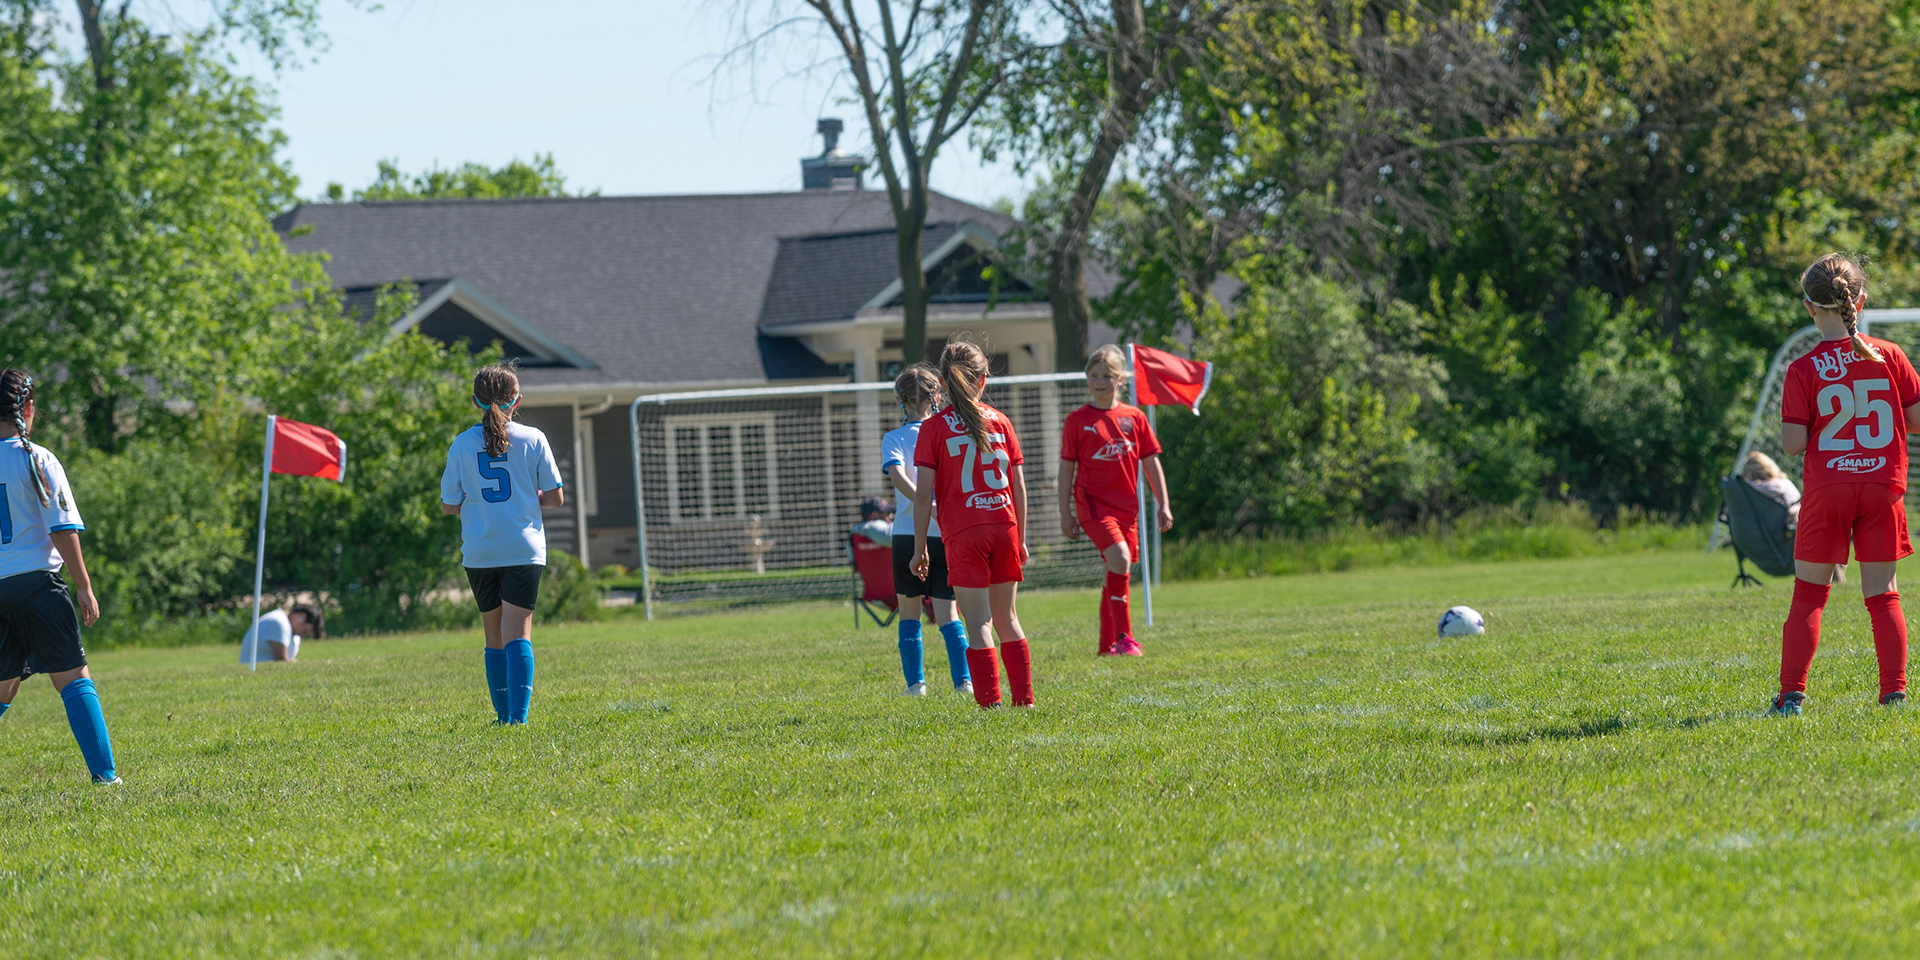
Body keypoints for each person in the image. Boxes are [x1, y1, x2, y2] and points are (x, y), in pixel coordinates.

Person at [1770, 253, 1920, 716]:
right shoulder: (1891, 355)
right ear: (1861, 300)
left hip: (1829, 488)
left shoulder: (1803, 368)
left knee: (1810, 594)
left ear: (1809, 307)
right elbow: (1915, 420)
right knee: (1884, 594)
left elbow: (1793, 445)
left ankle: (1792, 697)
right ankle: (1893, 694)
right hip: (1882, 483)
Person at [0, 369, 119, 784]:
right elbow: (62, 528)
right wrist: (84, 586)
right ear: (28, 410)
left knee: (2, 688)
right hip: (37, 585)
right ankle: (105, 779)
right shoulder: (38, 458)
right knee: (72, 677)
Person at [911, 341, 1034, 709]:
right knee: (1007, 617)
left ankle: (990, 703)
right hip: (1004, 524)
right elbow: (1018, 486)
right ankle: (1024, 701)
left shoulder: (933, 428)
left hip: (966, 531)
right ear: (984, 379)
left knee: (979, 621)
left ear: (943, 383)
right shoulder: (1001, 421)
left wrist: (919, 549)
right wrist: (1022, 538)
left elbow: (922, 497)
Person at [440, 364, 564, 725]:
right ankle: (518, 719)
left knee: (493, 636)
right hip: (522, 548)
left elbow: (449, 504)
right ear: (517, 400)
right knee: (518, 633)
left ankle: (502, 717)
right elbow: (555, 498)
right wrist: (527, 498)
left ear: (476, 401)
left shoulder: (462, 443)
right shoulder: (533, 438)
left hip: (480, 550)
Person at [1059, 345, 1174, 657]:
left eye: (1106, 376)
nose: (1099, 381)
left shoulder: (1134, 418)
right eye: (1093, 376)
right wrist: (1064, 512)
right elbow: (1066, 467)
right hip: (1093, 505)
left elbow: (1150, 462)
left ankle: (1105, 646)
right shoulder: (1077, 420)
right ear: (1087, 380)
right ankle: (1125, 639)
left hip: (1127, 509)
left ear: (1120, 379)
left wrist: (1163, 503)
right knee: (1120, 559)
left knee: (1117, 568)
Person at [880, 364, 971, 697]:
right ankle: (964, 682)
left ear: (899, 400)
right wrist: (936, 504)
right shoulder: (946, 432)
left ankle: (916, 684)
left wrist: (921, 500)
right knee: (949, 611)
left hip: (906, 532)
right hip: (945, 531)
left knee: (910, 612)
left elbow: (896, 474)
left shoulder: (894, 438)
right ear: (937, 397)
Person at [239, 603, 324, 664]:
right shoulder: (278, 623)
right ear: (301, 617)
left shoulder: (290, 628)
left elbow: (290, 659)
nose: (303, 635)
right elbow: (282, 660)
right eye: (305, 631)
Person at [1740, 451, 1802, 529]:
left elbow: (1753, 488)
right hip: (1784, 529)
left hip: (1789, 527)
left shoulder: (1778, 484)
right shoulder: (1782, 482)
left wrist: (1744, 483)